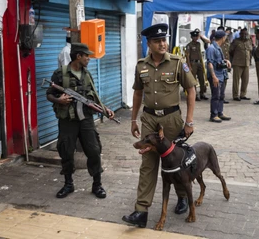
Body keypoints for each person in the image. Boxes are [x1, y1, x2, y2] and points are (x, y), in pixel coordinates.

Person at [122, 23, 197, 228]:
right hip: (149, 120)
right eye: (157, 41)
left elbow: (191, 90)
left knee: (176, 161)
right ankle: (141, 211)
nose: (163, 44)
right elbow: (138, 93)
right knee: (148, 164)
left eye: (164, 40)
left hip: (171, 120)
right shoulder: (141, 66)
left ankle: (182, 197)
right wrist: (133, 119)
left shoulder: (177, 62)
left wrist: (189, 121)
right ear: (149, 43)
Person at [46, 43, 115, 199]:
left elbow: (94, 96)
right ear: (78, 56)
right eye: (87, 56)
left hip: (86, 119)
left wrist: (105, 109)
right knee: (66, 151)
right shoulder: (60, 74)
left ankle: (97, 185)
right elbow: (49, 94)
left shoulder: (87, 74)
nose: (89, 59)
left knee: (94, 151)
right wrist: (59, 100)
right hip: (68, 121)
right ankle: (68, 184)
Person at [206, 30, 232, 122]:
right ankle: (213, 115)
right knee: (216, 96)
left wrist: (226, 61)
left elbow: (218, 60)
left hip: (221, 75)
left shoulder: (218, 48)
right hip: (216, 76)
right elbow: (210, 63)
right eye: (225, 37)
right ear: (222, 38)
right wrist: (214, 77)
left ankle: (220, 112)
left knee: (221, 95)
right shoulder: (211, 48)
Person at [185, 28, 209, 101]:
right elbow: (187, 56)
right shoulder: (189, 45)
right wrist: (189, 66)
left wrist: (201, 36)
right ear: (191, 37)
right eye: (194, 36)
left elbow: (207, 41)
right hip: (193, 63)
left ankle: (202, 93)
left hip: (199, 63)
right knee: (194, 80)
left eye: (197, 36)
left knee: (202, 79)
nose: (196, 38)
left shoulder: (199, 43)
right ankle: (195, 95)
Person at [229, 28, 253, 101]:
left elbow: (251, 51)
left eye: (245, 34)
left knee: (245, 80)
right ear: (240, 34)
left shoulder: (249, 41)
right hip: (237, 63)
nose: (244, 35)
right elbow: (230, 51)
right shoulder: (236, 41)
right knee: (236, 81)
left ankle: (243, 94)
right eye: (242, 34)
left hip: (246, 64)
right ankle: (235, 95)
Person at [221, 27, 232, 104]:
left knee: (225, 81)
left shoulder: (227, 44)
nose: (226, 37)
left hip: (225, 65)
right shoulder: (217, 45)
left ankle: (222, 96)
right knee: (220, 82)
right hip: (219, 65)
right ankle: (219, 96)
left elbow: (229, 54)